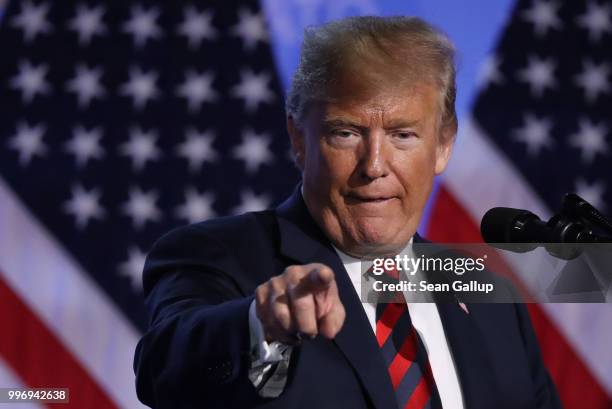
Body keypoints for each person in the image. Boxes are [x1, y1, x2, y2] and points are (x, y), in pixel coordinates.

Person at [133, 16, 562, 409]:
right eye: (346, 132)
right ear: (298, 138)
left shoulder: (491, 301)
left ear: (444, 145)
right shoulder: (218, 257)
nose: (374, 165)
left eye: (403, 135)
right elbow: (166, 372)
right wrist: (259, 327)